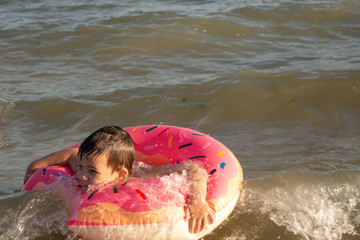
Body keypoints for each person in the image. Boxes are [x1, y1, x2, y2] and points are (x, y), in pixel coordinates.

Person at [24, 125, 215, 234]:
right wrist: (29, 177)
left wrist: (197, 201)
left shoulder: (137, 178)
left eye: (92, 171)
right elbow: (64, 157)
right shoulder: (82, 167)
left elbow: (193, 169)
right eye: (81, 167)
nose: (82, 175)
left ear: (121, 174)